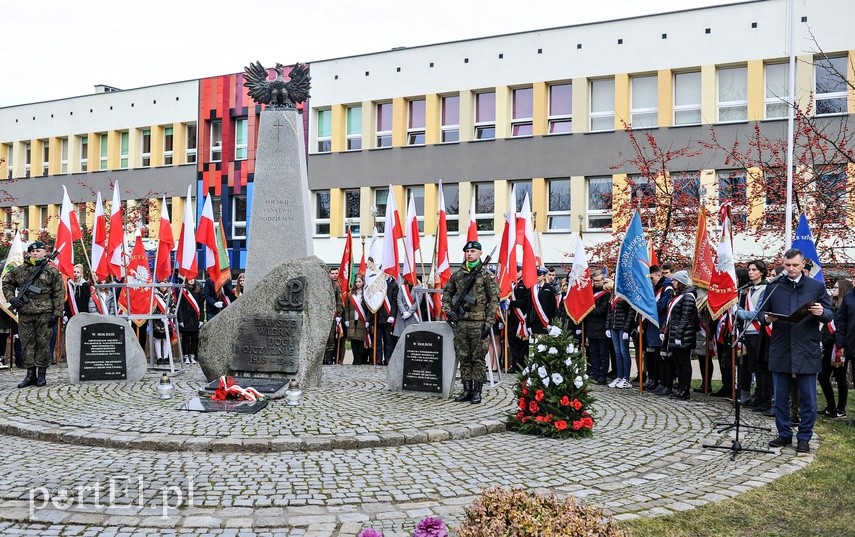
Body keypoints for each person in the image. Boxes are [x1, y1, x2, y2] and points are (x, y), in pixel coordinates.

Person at [761, 248, 833, 454]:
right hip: (782, 346)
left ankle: (804, 437)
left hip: (806, 347)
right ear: (783, 264)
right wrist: (766, 319)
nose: (791, 269)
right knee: (780, 397)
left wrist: (822, 312)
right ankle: (784, 433)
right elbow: (761, 312)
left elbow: (830, 313)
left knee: (808, 398)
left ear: (803, 265)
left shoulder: (816, 286)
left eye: (795, 265)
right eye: (787, 265)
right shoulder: (774, 286)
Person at [442, 240, 499, 404]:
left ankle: (477, 391)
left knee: (478, 358)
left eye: (473, 251)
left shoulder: (486, 275)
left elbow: (494, 300)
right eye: (467, 251)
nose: (469, 253)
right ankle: (466, 390)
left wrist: (488, 323)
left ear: (480, 253)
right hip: (461, 323)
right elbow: (446, 295)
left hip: (479, 322)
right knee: (464, 357)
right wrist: (448, 312)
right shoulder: (458, 275)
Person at [3, 241, 65, 388]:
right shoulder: (20, 270)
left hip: (45, 313)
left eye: (38, 251)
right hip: (25, 313)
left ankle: (42, 376)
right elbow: (7, 283)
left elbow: (59, 293)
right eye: (33, 251)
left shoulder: (52, 271)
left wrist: (56, 312)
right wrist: (12, 298)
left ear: (45, 253)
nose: (35, 253)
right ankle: (30, 375)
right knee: (27, 344)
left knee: (43, 344)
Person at [735, 260, 770, 409]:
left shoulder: (765, 288)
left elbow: (758, 313)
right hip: (747, 331)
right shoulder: (748, 289)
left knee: (762, 366)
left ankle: (764, 398)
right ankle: (757, 396)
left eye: (754, 269)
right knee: (752, 366)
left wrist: (739, 312)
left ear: (762, 272)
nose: (750, 272)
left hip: (759, 331)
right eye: (749, 269)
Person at [662, 270, 698, 401]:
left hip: (684, 335)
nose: (673, 283)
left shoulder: (688, 296)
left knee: (684, 363)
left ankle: (685, 389)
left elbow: (685, 317)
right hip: (675, 333)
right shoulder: (677, 296)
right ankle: (680, 387)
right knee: (677, 362)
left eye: (675, 280)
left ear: (681, 282)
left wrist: (679, 335)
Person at [822, 279, 853, 418]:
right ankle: (831, 406)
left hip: (840, 348)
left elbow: (842, 327)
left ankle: (841, 409)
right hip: (829, 348)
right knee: (822, 376)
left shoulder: (846, 305)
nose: (833, 289)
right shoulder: (832, 306)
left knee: (840, 378)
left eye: (836, 287)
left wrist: (834, 340)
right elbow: (827, 325)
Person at [644, 265, 673, 392]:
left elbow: (661, 306)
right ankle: (654, 380)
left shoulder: (666, 288)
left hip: (661, 325)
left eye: (652, 278)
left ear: (659, 275)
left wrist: (647, 305)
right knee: (653, 356)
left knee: (662, 357)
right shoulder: (655, 288)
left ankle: (664, 383)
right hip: (653, 325)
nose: (651, 281)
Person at [606, 281, 636, 389]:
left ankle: (626, 378)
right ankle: (619, 376)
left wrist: (627, 329)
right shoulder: (612, 296)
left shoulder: (626, 295)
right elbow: (609, 313)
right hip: (613, 327)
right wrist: (607, 327)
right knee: (617, 352)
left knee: (624, 352)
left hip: (623, 327)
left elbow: (631, 313)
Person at [584, 269, 611, 385]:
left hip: (601, 328)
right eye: (594, 281)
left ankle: (602, 375)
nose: (596, 283)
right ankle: (595, 373)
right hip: (590, 328)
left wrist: (589, 309)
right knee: (593, 353)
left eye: (598, 280)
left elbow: (602, 310)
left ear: (603, 280)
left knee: (603, 354)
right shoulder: (589, 293)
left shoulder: (607, 293)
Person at [506, 268, 530, 373]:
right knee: (513, 343)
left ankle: (523, 365)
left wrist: (511, 303)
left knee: (523, 343)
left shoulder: (525, 285)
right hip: (512, 318)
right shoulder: (509, 285)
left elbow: (525, 301)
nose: (516, 273)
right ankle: (515, 364)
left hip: (522, 318)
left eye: (518, 271)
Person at [177, 278, 203, 365]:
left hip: (195, 318)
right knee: (186, 338)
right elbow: (179, 306)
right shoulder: (182, 290)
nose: (191, 281)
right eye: (189, 279)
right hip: (185, 318)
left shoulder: (198, 291)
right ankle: (186, 355)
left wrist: (201, 319)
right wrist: (180, 319)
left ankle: (192, 355)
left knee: (195, 338)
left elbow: (201, 306)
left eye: (193, 279)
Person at [345, 274, 370, 365]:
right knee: (353, 340)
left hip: (361, 319)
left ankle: (359, 360)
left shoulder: (366, 294)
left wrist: (368, 320)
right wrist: (347, 319)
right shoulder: (351, 294)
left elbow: (368, 309)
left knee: (360, 340)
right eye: (356, 282)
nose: (358, 283)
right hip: (352, 320)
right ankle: (354, 359)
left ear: (363, 282)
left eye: (360, 281)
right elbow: (347, 308)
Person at [324, 267, 346, 365]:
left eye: (336, 273)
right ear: (329, 274)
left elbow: (339, 301)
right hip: (323, 315)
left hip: (333, 315)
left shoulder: (337, 286)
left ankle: (329, 359)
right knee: (323, 338)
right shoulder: (324, 285)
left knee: (331, 338)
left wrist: (339, 314)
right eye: (332, 273)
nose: (334, 275)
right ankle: (323, 359)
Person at [529, 266, 557, 336]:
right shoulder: (532, 288)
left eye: (539, 275)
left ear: (544, 276)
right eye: (536, 274)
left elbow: (552, 306)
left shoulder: (550, 288)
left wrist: (551, 321)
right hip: (534, 320)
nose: (537, 276)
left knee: (544, 344)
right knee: (536, 343)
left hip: (545, 319)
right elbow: (529, 305)